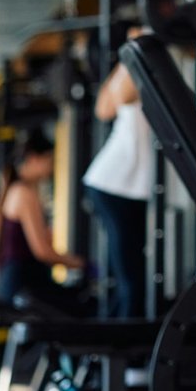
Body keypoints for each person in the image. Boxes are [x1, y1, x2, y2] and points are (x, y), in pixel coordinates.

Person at [0, 131, 89, 315]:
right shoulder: (24, 193)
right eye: (49, 159)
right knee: (86, 307)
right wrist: (82, 264)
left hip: (16, 286)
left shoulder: (18, 191)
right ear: (33, 159)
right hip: (23, 288)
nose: (52, 166)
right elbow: (42, 252)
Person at [82, 60, 152, 319]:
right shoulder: (132, 64)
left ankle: (113, 343)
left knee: (131, 274)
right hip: (114, 184)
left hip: (127, 185)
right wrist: (129, 56)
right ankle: (122, 349)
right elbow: (104, 109)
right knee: (131, 278)